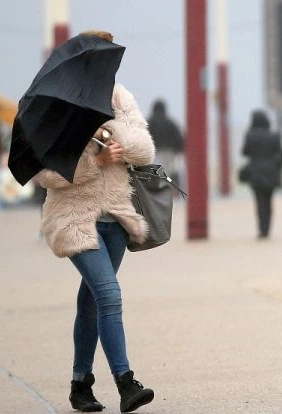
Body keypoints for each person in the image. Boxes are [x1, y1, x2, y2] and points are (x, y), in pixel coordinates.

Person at [33, 30, 156, 412]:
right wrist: (94, 161)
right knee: (109, 295)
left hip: (116, 216)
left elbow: (145, 149)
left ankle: (80, 384)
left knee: (91, 301)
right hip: (74, 219)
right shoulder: (54, 105)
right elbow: (45, 175)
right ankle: (126, 382)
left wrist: (112, 135)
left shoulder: (119, 96)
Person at [240, 110, 282, 240]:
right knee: (268, 201)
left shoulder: (250, 135)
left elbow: (244, 152)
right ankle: (267, 229)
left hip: (255, 173)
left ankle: (261, 230)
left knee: (259, 202)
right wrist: (277, 166)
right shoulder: (274, 135)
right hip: (271, 173)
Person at [147, 99, 184, 187]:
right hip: (169, 153)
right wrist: (180, 150)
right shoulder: (171, 123)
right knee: (167, 173)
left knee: (154, 172)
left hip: (153, 153)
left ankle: (155, 189)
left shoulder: (148, 123)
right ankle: (166, 189)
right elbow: (179, 139)